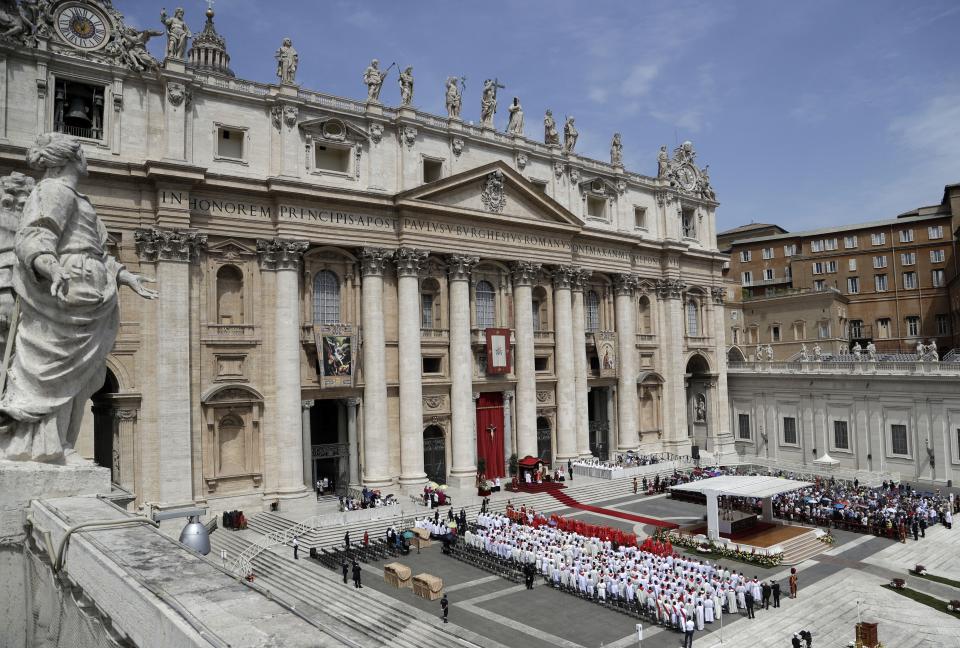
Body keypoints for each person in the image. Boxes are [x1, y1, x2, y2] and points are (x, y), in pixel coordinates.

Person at [0, 133, 158, 462]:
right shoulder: (53, 190)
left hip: (91, 293)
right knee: (54, 373)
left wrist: (125, 275)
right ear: (72, 157)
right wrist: (49, 266)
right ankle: (38, 447)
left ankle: (59, 445)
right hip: (66, 291)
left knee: (86, 377)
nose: (87, 156)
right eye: (81, 151)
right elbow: (35, 235)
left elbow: (96, 252)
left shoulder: (78, 198)